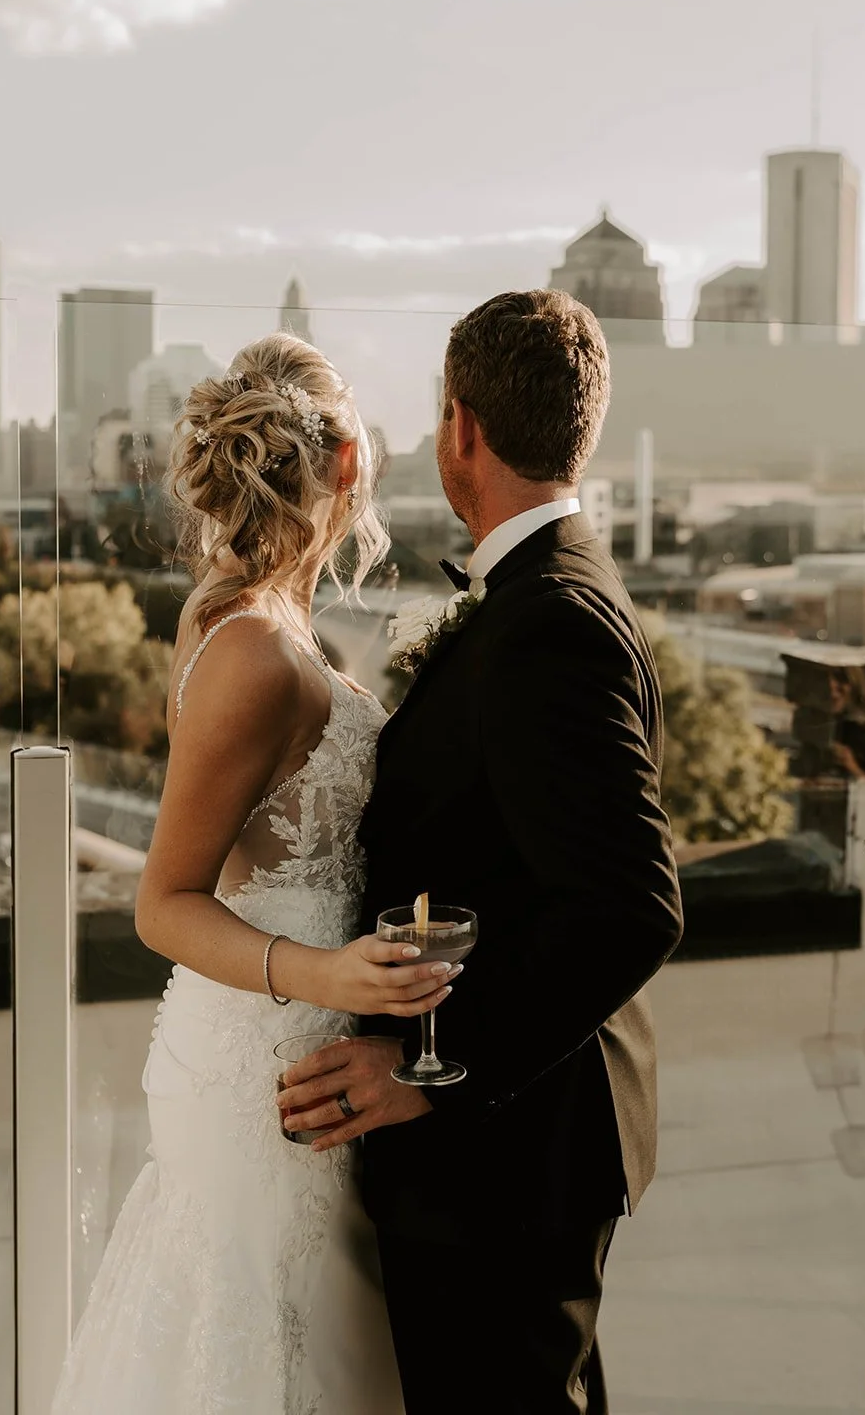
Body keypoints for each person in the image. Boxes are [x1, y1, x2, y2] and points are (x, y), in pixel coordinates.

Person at [277, 291, 683, 1413]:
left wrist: (426, 1066)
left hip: (509, 1157)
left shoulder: (545, 617)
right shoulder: (550, 587)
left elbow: (630, 908)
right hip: (519, 1151)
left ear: (460, 427)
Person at [50, 334, 440, 1413]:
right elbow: (163, 902)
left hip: (298, 1063)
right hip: (255, 1070)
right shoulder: (249, 650)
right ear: (351, 463)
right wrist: (334, 981)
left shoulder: (270, 624)